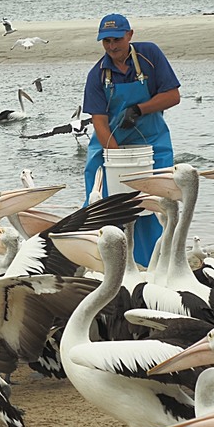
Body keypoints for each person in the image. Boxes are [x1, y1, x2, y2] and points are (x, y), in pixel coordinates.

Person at [82, 13, 181, 266]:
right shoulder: (97, 75)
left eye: (116, 39)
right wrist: (117, 160)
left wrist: (139, 109)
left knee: (155, 205)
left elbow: (172, 96)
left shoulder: (150, 55)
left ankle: (156, 263)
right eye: (106, 42)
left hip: (152, 140)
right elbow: (99, 122)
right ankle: (105, 264)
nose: (112, 46)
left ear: (130, 35)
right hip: (109, 145)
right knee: (104, 203)